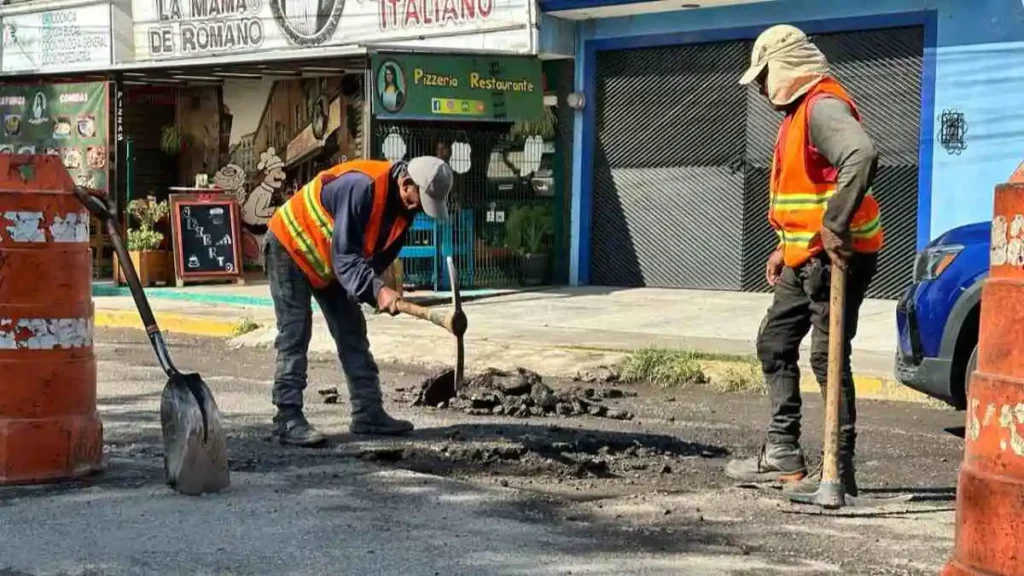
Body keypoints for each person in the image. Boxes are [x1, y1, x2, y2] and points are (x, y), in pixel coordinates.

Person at [724, 25, 884, 496]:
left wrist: (834, 225)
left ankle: (840, 471)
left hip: (837, 256)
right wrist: (785, 245)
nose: (760, 86)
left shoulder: (821, 107)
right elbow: (806, 194)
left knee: (828, 356)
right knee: (775, 342)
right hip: (805, 255)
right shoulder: (796, 116)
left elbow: (861, 153)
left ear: (786, 67)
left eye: (763, 76)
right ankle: (783, 453)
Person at [264, 156, 454, 446]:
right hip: (290, 246)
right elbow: (346, 259)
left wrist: (375, 290)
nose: (420, 210)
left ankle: (368, 412)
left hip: (328, 260)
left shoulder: (405, 212)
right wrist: (378, 291)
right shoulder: (362, 187)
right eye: (420, 201)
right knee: (295, 331)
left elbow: (375, 259)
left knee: (351, 327)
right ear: (406, 184)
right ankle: (287, 418)